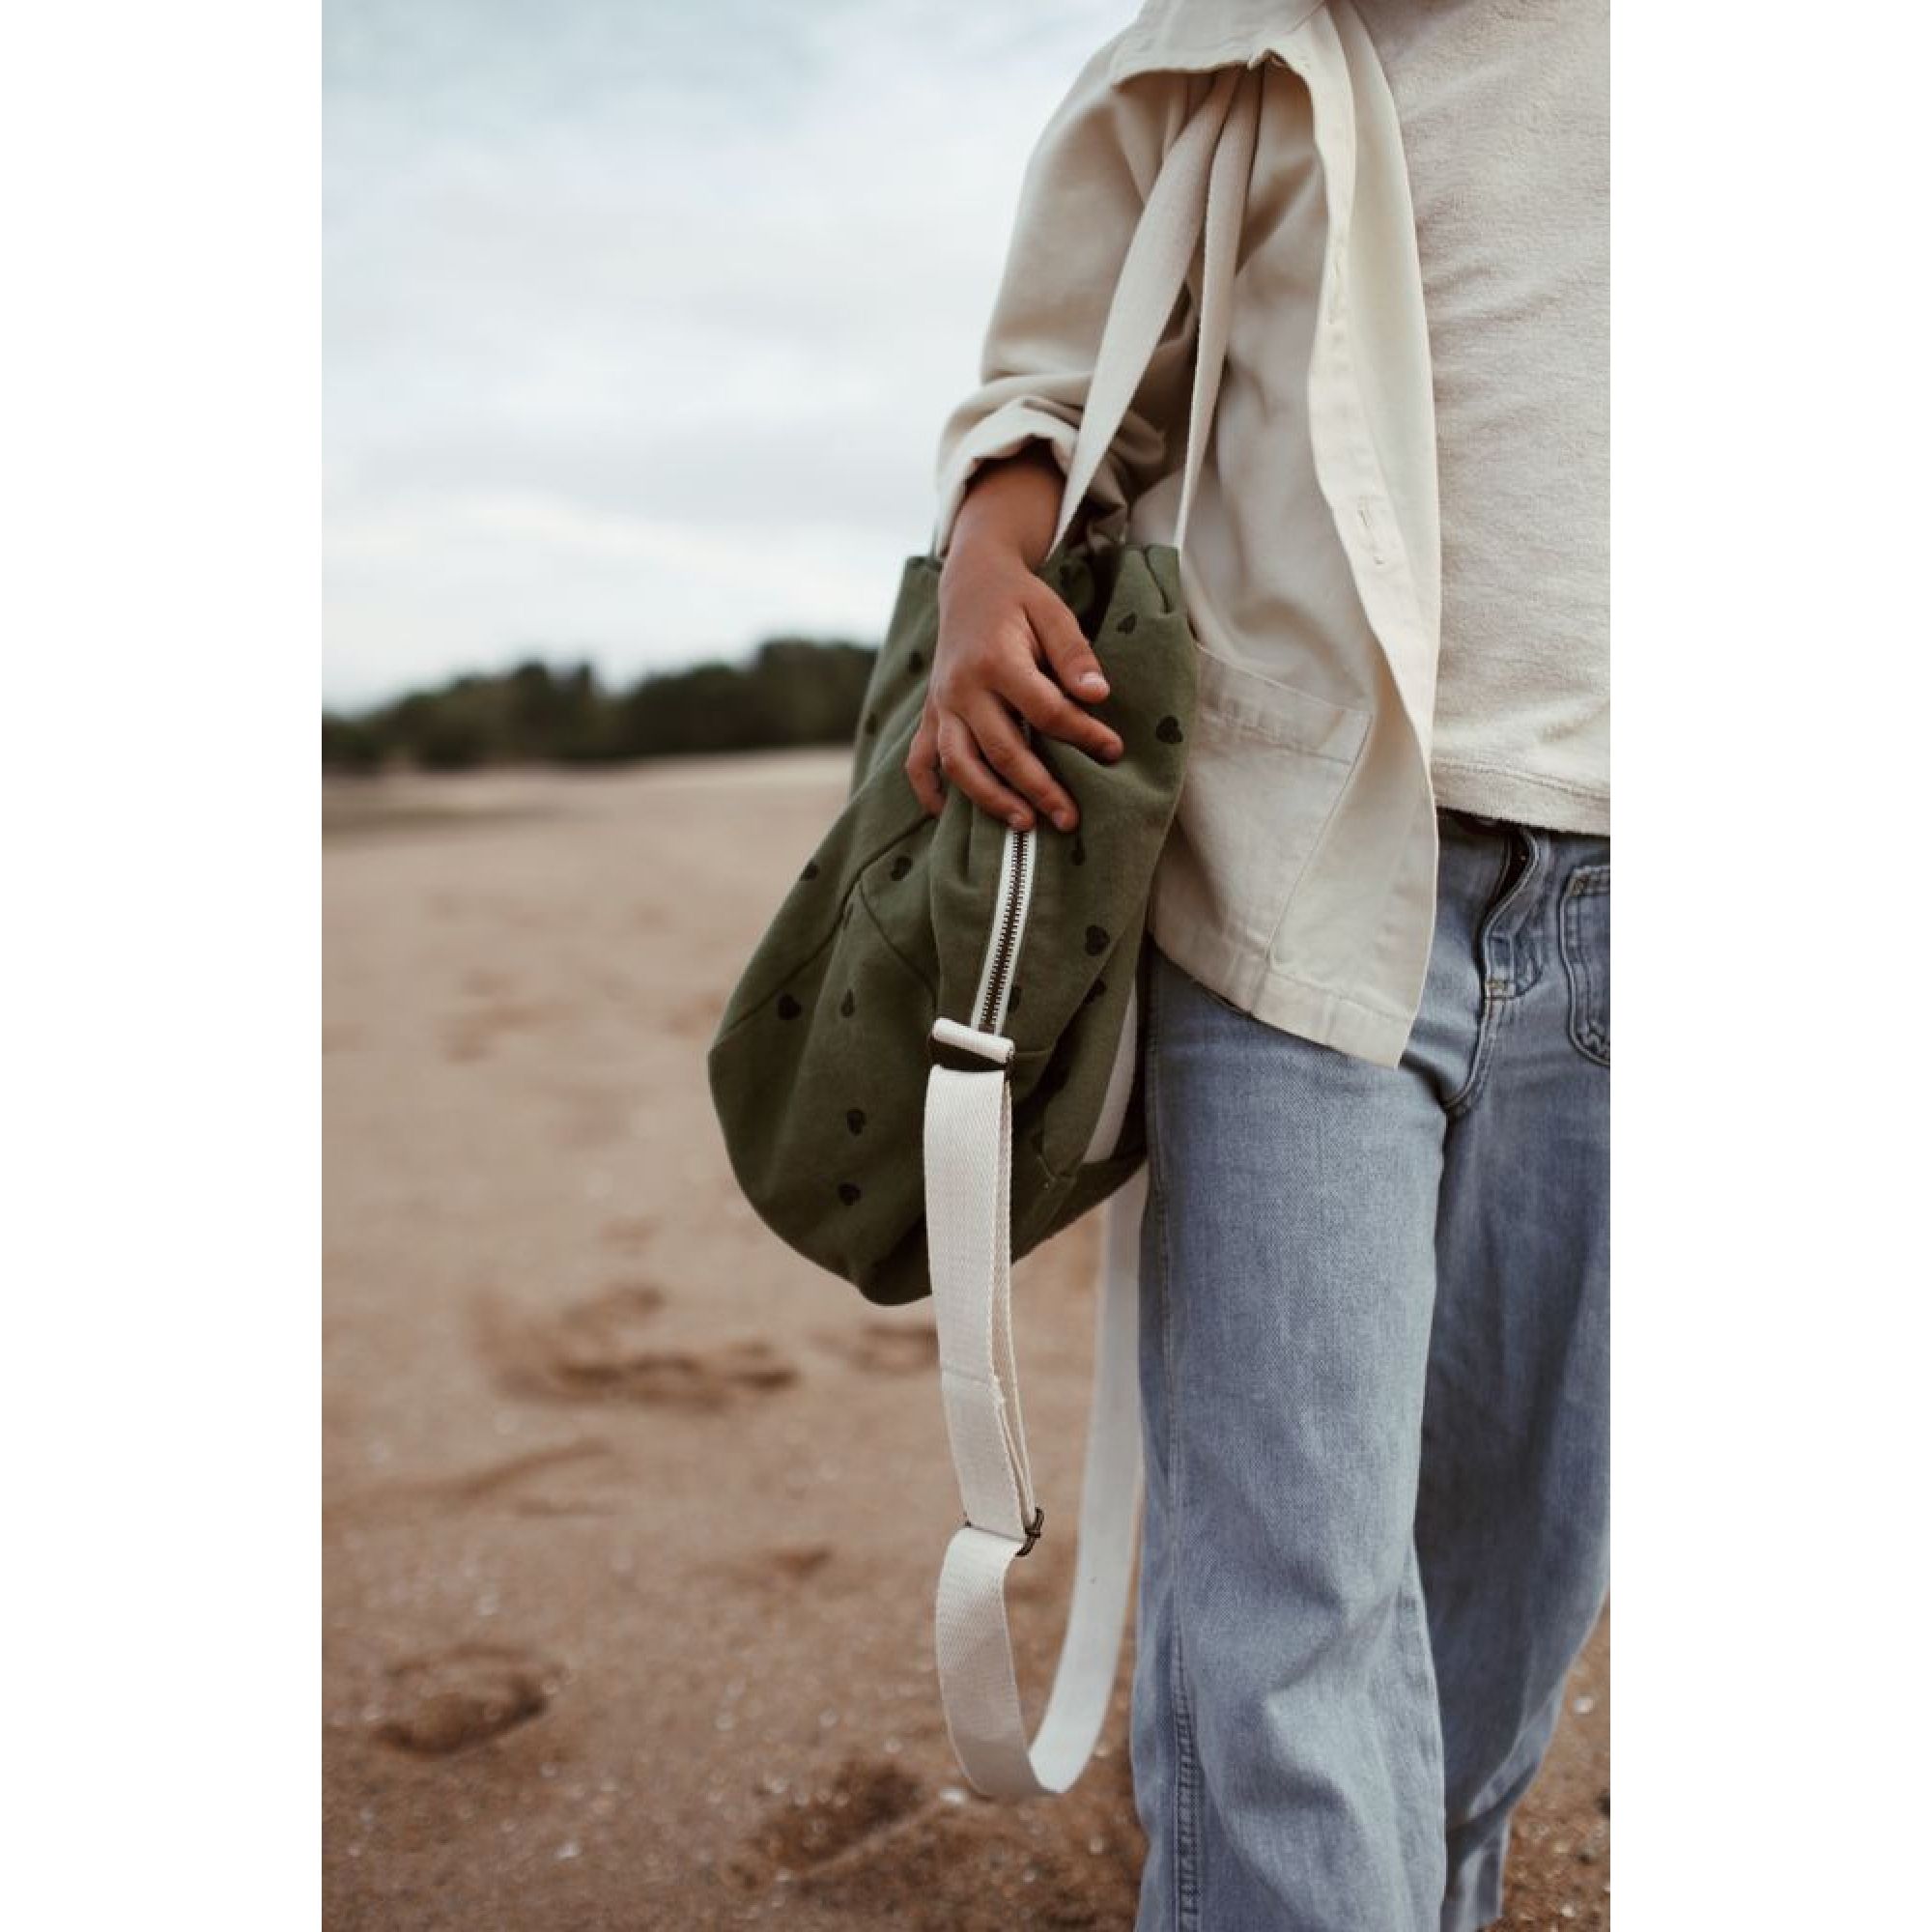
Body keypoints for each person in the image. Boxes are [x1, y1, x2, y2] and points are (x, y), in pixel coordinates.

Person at [913, 2, 1607, 1928]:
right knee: (1289, 1599)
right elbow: (1055, 387)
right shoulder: (1206, 57)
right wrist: (990, 561)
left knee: (1509, 1574)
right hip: (1294, 872)